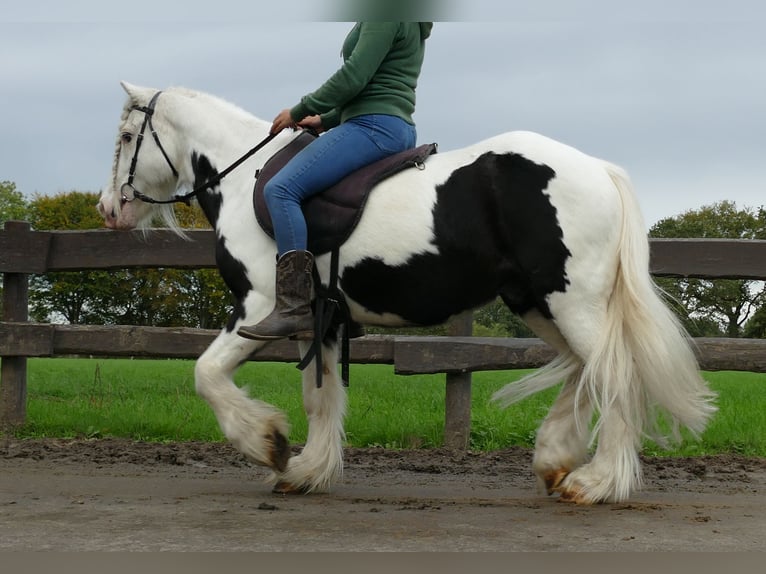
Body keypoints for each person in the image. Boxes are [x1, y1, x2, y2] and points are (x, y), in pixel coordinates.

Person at [238, 22, 433, 341]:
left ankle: (292, 309)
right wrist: (325, 119)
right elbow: (373, 82)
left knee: (282, 189)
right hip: (387, 123)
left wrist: (300, 109)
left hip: (372, 126)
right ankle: (336, 301)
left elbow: (355, 76)